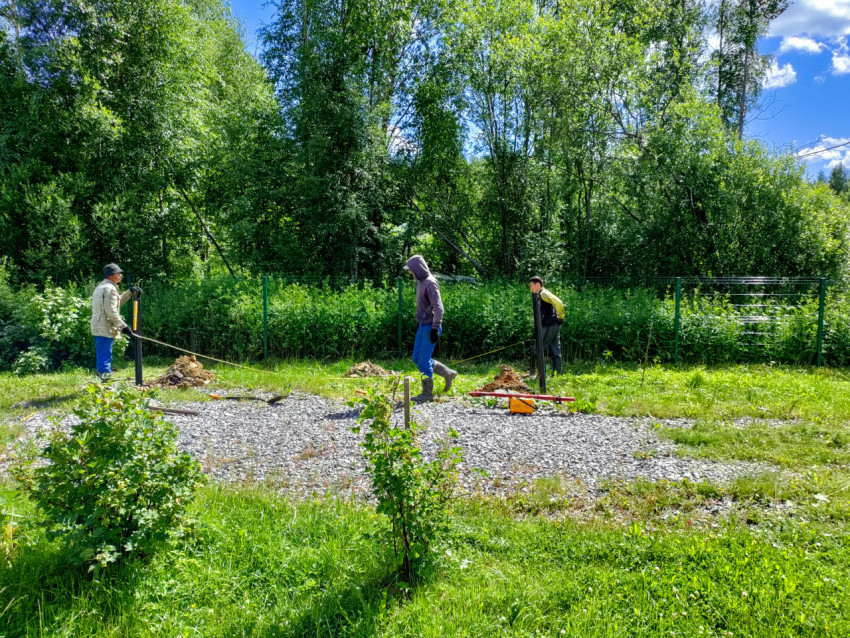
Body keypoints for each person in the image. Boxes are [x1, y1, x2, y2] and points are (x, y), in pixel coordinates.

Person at [404, 255, 458, 402]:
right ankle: (448, 373)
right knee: (417, 358)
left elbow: (439, 308)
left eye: (411, 271)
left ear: (418, 268)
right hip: (422, 326)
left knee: (423, 361)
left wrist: (435, 328)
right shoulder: (420, 282)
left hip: (430, 327)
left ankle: (427, 394)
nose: (411, 273)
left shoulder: (430, 283)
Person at [90, 263, 140, 381]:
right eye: (118, 273)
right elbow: (111, 312)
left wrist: (129, 292)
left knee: (104, 354)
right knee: (105, 356)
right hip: (104, 327)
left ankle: (102, 379)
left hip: (99, 326)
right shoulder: (110, 289)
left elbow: (115, 304)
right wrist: (123, 326)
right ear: (110, 275)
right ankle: (105, 381)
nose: (121, 275)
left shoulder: (102, 287)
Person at [529, 276, 565, 376]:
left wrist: (561, 317)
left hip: (550, 325)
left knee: (537, 350)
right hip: (554, 325)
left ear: (537, 284)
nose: (530, 288)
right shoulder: (541, 294)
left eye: (531, 286)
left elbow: (559, 303)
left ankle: (542, 376)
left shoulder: (544, 293)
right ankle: (557, 375)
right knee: (555, 350)